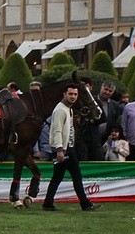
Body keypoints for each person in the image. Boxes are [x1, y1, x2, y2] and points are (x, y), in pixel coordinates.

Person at [42, 83, 99, 212]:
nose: (73, 97)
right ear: (64, 94)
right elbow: (56, 131)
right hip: (65, 148)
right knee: (76, 176)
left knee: (58, 177)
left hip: (66, 147)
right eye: (71, 94)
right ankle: (85, 204)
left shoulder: (67, 109)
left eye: (75, 94)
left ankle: (48, 202)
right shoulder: (60, 110)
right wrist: (60, 150)